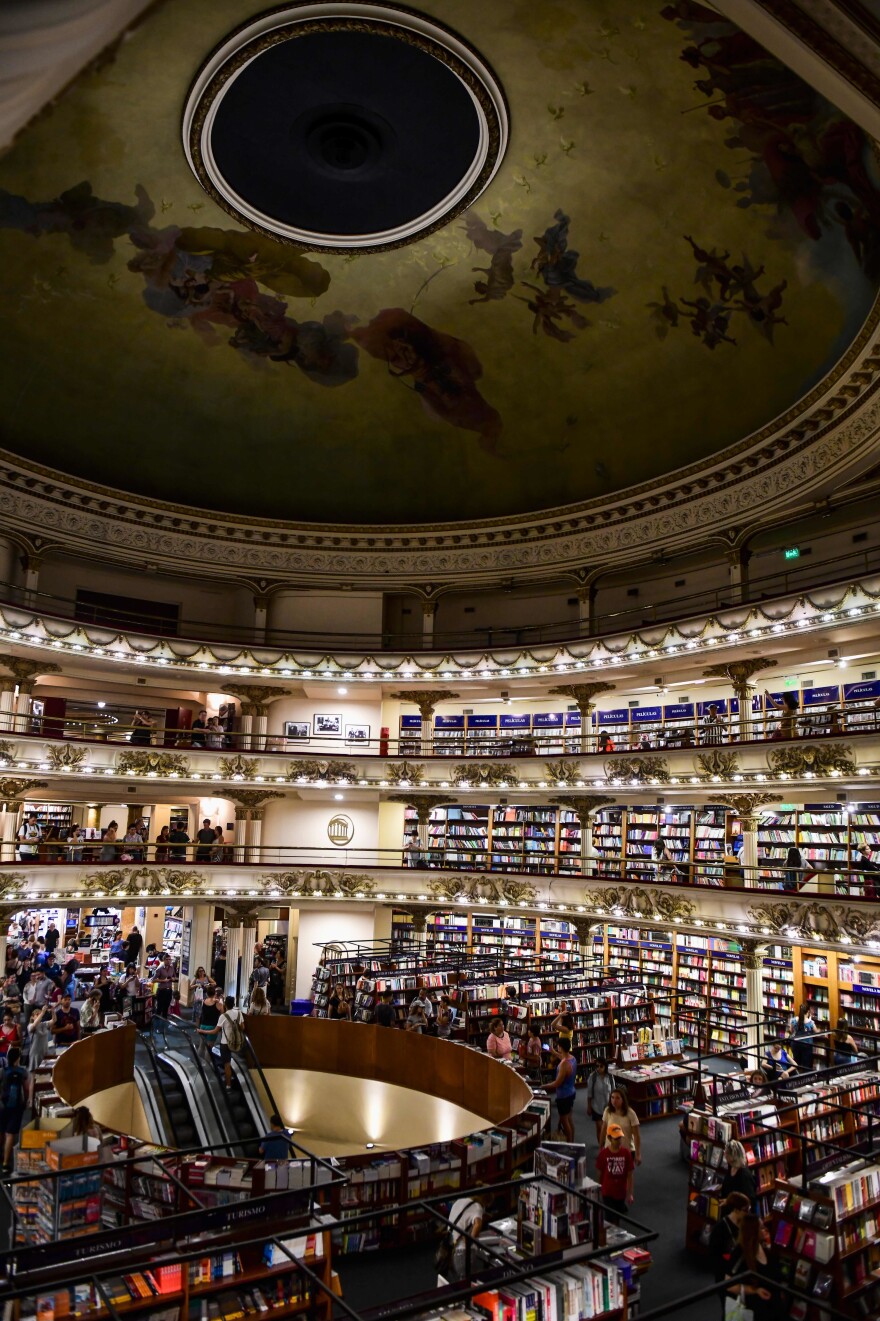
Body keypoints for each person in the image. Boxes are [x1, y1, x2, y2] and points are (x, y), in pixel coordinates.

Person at [726, 1213, 779, 1320]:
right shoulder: (740, 1253)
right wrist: (754, 1290)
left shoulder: (763, 1246)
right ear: (753, 1232)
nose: (765, 1230)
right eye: (761, 1228)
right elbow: (729, 1285)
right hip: (752, 1310)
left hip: (770, 1307)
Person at [708, 1192, 750, 1299]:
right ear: (736, 1210)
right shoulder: (720, 1229)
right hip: (725, 1276)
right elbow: (714, 1256)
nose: (748, 1213)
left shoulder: (745, 1224)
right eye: (745, 1210)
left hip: (739, 1274)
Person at [442, 1191, 484, 1283]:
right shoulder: (477, 1207)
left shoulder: (459, 1201)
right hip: (464, 1252)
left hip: (451, 1249)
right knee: (467, 1284)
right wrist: (470, 1241)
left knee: (458, 1283)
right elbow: (477, 1224)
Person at [595, 1123, 634, 1218]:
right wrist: (599, 1189)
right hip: (607, 1191)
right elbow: (599, 1174)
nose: (618, 1141)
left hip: (621, 1192)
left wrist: (630, 1193)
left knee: (617, 1218)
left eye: (620, 1137)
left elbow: (630, 1175)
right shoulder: (603, 1154)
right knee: (609, 1218)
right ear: (609, 1138)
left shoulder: (626, 1153)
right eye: (616, 1138)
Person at [543, 1038, 577, 1142]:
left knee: (564, 1121)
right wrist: (552, 1050)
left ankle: (570, 1143)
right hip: (571, 1092)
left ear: (561, 1047)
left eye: (558, 1046)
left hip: (563, 1095)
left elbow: (557, 1083)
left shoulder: (563, 1065)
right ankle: (572, 1140)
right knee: (569, 1119)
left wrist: (543, 1086)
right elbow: (560, 1056)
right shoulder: (572, 1058)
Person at [209, 996, 245, 1091]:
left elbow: (215, 1031)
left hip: (225, 1043)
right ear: (233, 1003)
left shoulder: (223, 1016)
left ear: (225, 1004)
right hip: (236, 1041)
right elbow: (242, 1027)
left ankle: (228, 1085)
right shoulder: (239, 1013)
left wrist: (202, 1031)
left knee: (227, 1064)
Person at [1, 1046, 27, 1173]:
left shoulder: (2, 1071)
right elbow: (26, 1089)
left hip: (2, 1105)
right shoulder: (23, 1072)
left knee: (1, 1130)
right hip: (16, 1106)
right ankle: (6, 1163)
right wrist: (26, 1102)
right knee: (10, 1134)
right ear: (18, 1058)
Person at [599, 1088, 642, 1165]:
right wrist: (601, 1146)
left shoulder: (631, 1113)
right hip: (610, 1148)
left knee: (626, 1174)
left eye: (617, 1098)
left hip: (627, 1150)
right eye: (612, 1097)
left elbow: (636, 1135)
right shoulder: (607, 1111)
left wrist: (638, 1154)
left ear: (623, 1100)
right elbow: (603, 1129)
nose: (614, 1100)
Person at [720, 1139, 757, 1205]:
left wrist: (729, 1201)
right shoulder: (731, 1167)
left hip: (737, 1211)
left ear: (733, 1156)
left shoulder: (745, 1175)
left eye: (726, 1152)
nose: (724, 1153)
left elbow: (748, 1200)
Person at [585, 1058, 613, 1144]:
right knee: (600, 1128)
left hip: (608, 1107)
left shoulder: (610, 1077)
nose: (599, 1068)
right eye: (597, 1066)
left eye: (601, 1066)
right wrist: (589, 1107)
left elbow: (613, 1092)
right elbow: (589, 1094)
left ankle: (608, 1145)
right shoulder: (592, 1077)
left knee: (608, 1129)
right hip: (596, 1106)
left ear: (605, 1067)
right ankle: (601, 1147)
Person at [788, 1003, 816, 1069]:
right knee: (806, 1064)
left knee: (796, 1062)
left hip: (795, 1044)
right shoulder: (810, 1022)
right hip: (806, 1045)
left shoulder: (794, 1020)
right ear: (808, 1012)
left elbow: (790, 1030)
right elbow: (816, 1031)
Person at [154, 954, 175, 1020]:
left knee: (166, 1008)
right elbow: (153, 980)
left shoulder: (172, 968)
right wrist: (163, 980)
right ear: (164, 960)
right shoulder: (160, 968)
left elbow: (174, 976)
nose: (169, 961)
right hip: (161, 990)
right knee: (159, 1008)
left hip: (169, 990)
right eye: (167, 959)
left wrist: (173, 978)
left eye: (170, 959)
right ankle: (156, 1025)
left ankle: (164, 1025)